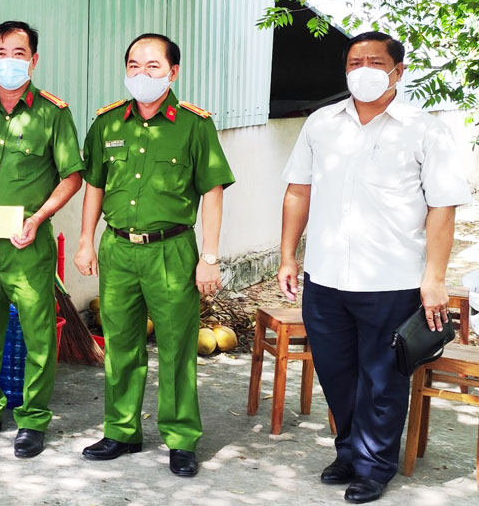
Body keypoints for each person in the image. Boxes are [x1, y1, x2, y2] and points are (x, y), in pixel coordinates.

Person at [277, 31, 470, 503]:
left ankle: (374, 466)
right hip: (325, 278)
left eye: (374, 61)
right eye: (353, 61)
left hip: (392, 281)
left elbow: (442, 210)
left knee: (383, 380)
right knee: (337, 373)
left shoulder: (425, 130)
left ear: (397, 71)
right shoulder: (321, 124)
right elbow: (298, 190)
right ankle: (349, 451)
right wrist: (287, 254)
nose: (362, 68)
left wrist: (435, 279)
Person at [74, 33, 234, 477]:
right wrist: (86, 240)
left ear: (173, 72)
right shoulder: (107, 123)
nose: (141, 74)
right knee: (121, 346)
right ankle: (121, 431)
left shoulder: (193, 124)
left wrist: (211, 256)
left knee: (177, 348)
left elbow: (213, 193)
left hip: (173, 251)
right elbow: (95, 186)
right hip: (119, 248)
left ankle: (181, 439)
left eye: (152, 66)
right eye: (133, 65)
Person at [0, 21, 83, 459]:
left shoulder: (52, 113)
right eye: (1, 52)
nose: (9, 61)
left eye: (19, 53)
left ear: (34, 60)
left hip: (28, 245)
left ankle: (33, 419)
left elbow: (72, 176)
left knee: (37, 334)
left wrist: (40, 217)